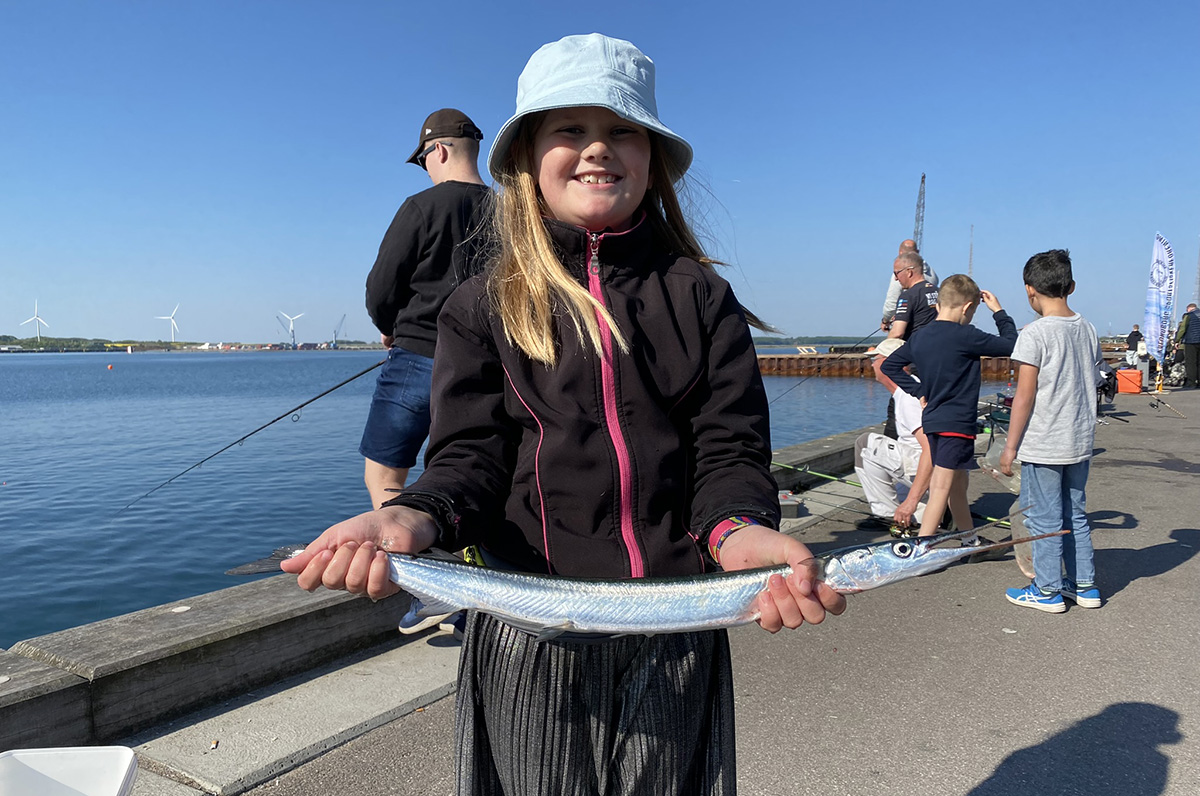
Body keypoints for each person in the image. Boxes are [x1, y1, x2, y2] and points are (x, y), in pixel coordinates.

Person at [282, 33, 845, 795]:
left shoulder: (701, 298)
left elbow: (728, 450)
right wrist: (410, 518)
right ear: (525, 159)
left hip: (674, 626)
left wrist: (738, 529)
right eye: (569, 130)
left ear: (652, 158)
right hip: (528, 628)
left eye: (622, 131)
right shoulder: (482, 305)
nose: (596, 150)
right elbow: (469, 460)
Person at [360, 108, 492, 637]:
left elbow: (381, 288)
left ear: (436, 151)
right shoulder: (513, 213)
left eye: (424, 161)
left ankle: (431, 588)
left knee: (386, 474)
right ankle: (480, 593)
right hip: (490, 365)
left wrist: (391, 327)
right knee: (475, 471)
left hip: (418, 354)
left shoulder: (420, 207)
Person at [999, 249, 1104, 612]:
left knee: (1042, 519)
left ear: (1029, 291)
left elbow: (1024, 398)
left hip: (1044, 443)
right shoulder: (1088, 328)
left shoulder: (1034, 334)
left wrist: (1010, 448)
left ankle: (1047, 590)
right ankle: (1085, 585)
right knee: (1074, 513)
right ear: (1071, 286)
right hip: (1079, 439)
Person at [880, 274, 1016, 543]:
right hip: (958, 424)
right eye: (972, 312)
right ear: (967, 307)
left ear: (938, 304)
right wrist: (999, 312)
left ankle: (969, 540)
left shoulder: (920, 337)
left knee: (957, 484)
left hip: (932, 421)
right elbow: (1012, 343)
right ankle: (923, 548)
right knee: (942, 486)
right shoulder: (967, 336)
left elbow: (889, 366)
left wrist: (919, 390)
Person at [854, 337, 931, 535]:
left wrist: (912, 501)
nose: (871, 364)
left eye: (875, 359)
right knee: (910, 510)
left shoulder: (908, 397)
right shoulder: (911, 388)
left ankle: (885, 514)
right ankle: (933, 512)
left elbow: (931, 448)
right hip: (921, 466)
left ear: (889, 363)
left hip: (927, 466)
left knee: (865, 444)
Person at [881, 239, 940, 331]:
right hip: (931, 327)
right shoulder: (932, 273)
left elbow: (892, 301)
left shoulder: (900, 273)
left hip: (908, 326)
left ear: (900, 252)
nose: (897, 278)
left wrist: (885, 320)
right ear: (917, 252)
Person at [1174, 303, 1200, 388]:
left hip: (1191, 341)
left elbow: (1182, 329)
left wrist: (1177, 340)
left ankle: (1191, 382)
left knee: (1191, 362)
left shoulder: (1188, 316)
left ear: (1189, 309)